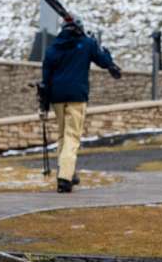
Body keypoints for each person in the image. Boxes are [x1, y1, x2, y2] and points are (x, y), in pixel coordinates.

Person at [41, 17, 121, 193]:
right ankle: (65, 178)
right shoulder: (86, 44)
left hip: (57, 97)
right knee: (72, 137)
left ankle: (66, 172)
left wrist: (45, 101)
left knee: (63, 136)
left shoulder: (53, 47)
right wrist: (105, 52)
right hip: (77, 96)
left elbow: (45, 76)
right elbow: (103, 62)